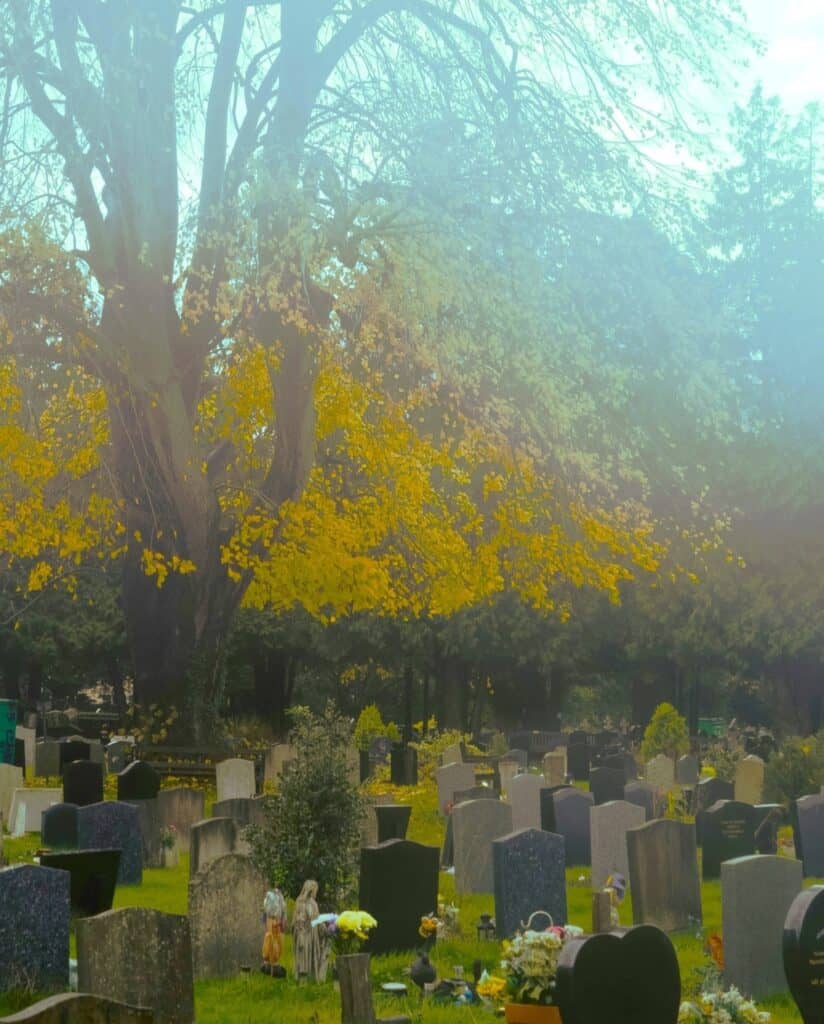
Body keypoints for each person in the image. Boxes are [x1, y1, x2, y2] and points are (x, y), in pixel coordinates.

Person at [292, 879, 329, 982]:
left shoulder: (307, 902)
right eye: (315, 890)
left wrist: (325, 929)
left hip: (307, 934)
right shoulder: (305, 902)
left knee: (308, 955)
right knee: (305, 954)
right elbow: (303, 919)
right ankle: (305, 979)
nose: (316, 892)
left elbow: (315, 918)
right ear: (311, 890)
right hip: (305, 933)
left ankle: (308, 978)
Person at [261, 887, 287, 976]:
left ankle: (272, 965)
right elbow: (266, 914)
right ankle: (269, 964)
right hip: (272, 921)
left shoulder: (278, 898)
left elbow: (283, 912)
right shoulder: (271, 898)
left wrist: (281, 923)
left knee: (277, 941)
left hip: (276, 921)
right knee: (271, 939)